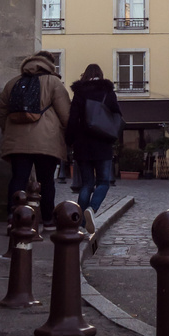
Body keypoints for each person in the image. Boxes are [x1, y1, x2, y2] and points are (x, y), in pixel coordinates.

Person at [0, 51, 71, 229]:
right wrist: (65, 135)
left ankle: (13, 217)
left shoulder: (13, 83)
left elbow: (1, 112)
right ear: (50, 64)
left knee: (18, 178)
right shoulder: (53, 82)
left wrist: (9, 131)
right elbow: (65, 115)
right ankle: (47, 220)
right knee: (46, 181)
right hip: (47, 140)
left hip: (17, 140)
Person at [65, 63, 122, 234]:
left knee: (87, 183)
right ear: (100, 74)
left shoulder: (79, 93)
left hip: (83, 145)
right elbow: (117, 116)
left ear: (85, 75)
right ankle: (92, 208)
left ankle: (80, 223)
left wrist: (70, 140)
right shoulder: (108, 92)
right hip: (103, 144)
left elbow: (72, 119)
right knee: (103, 182)